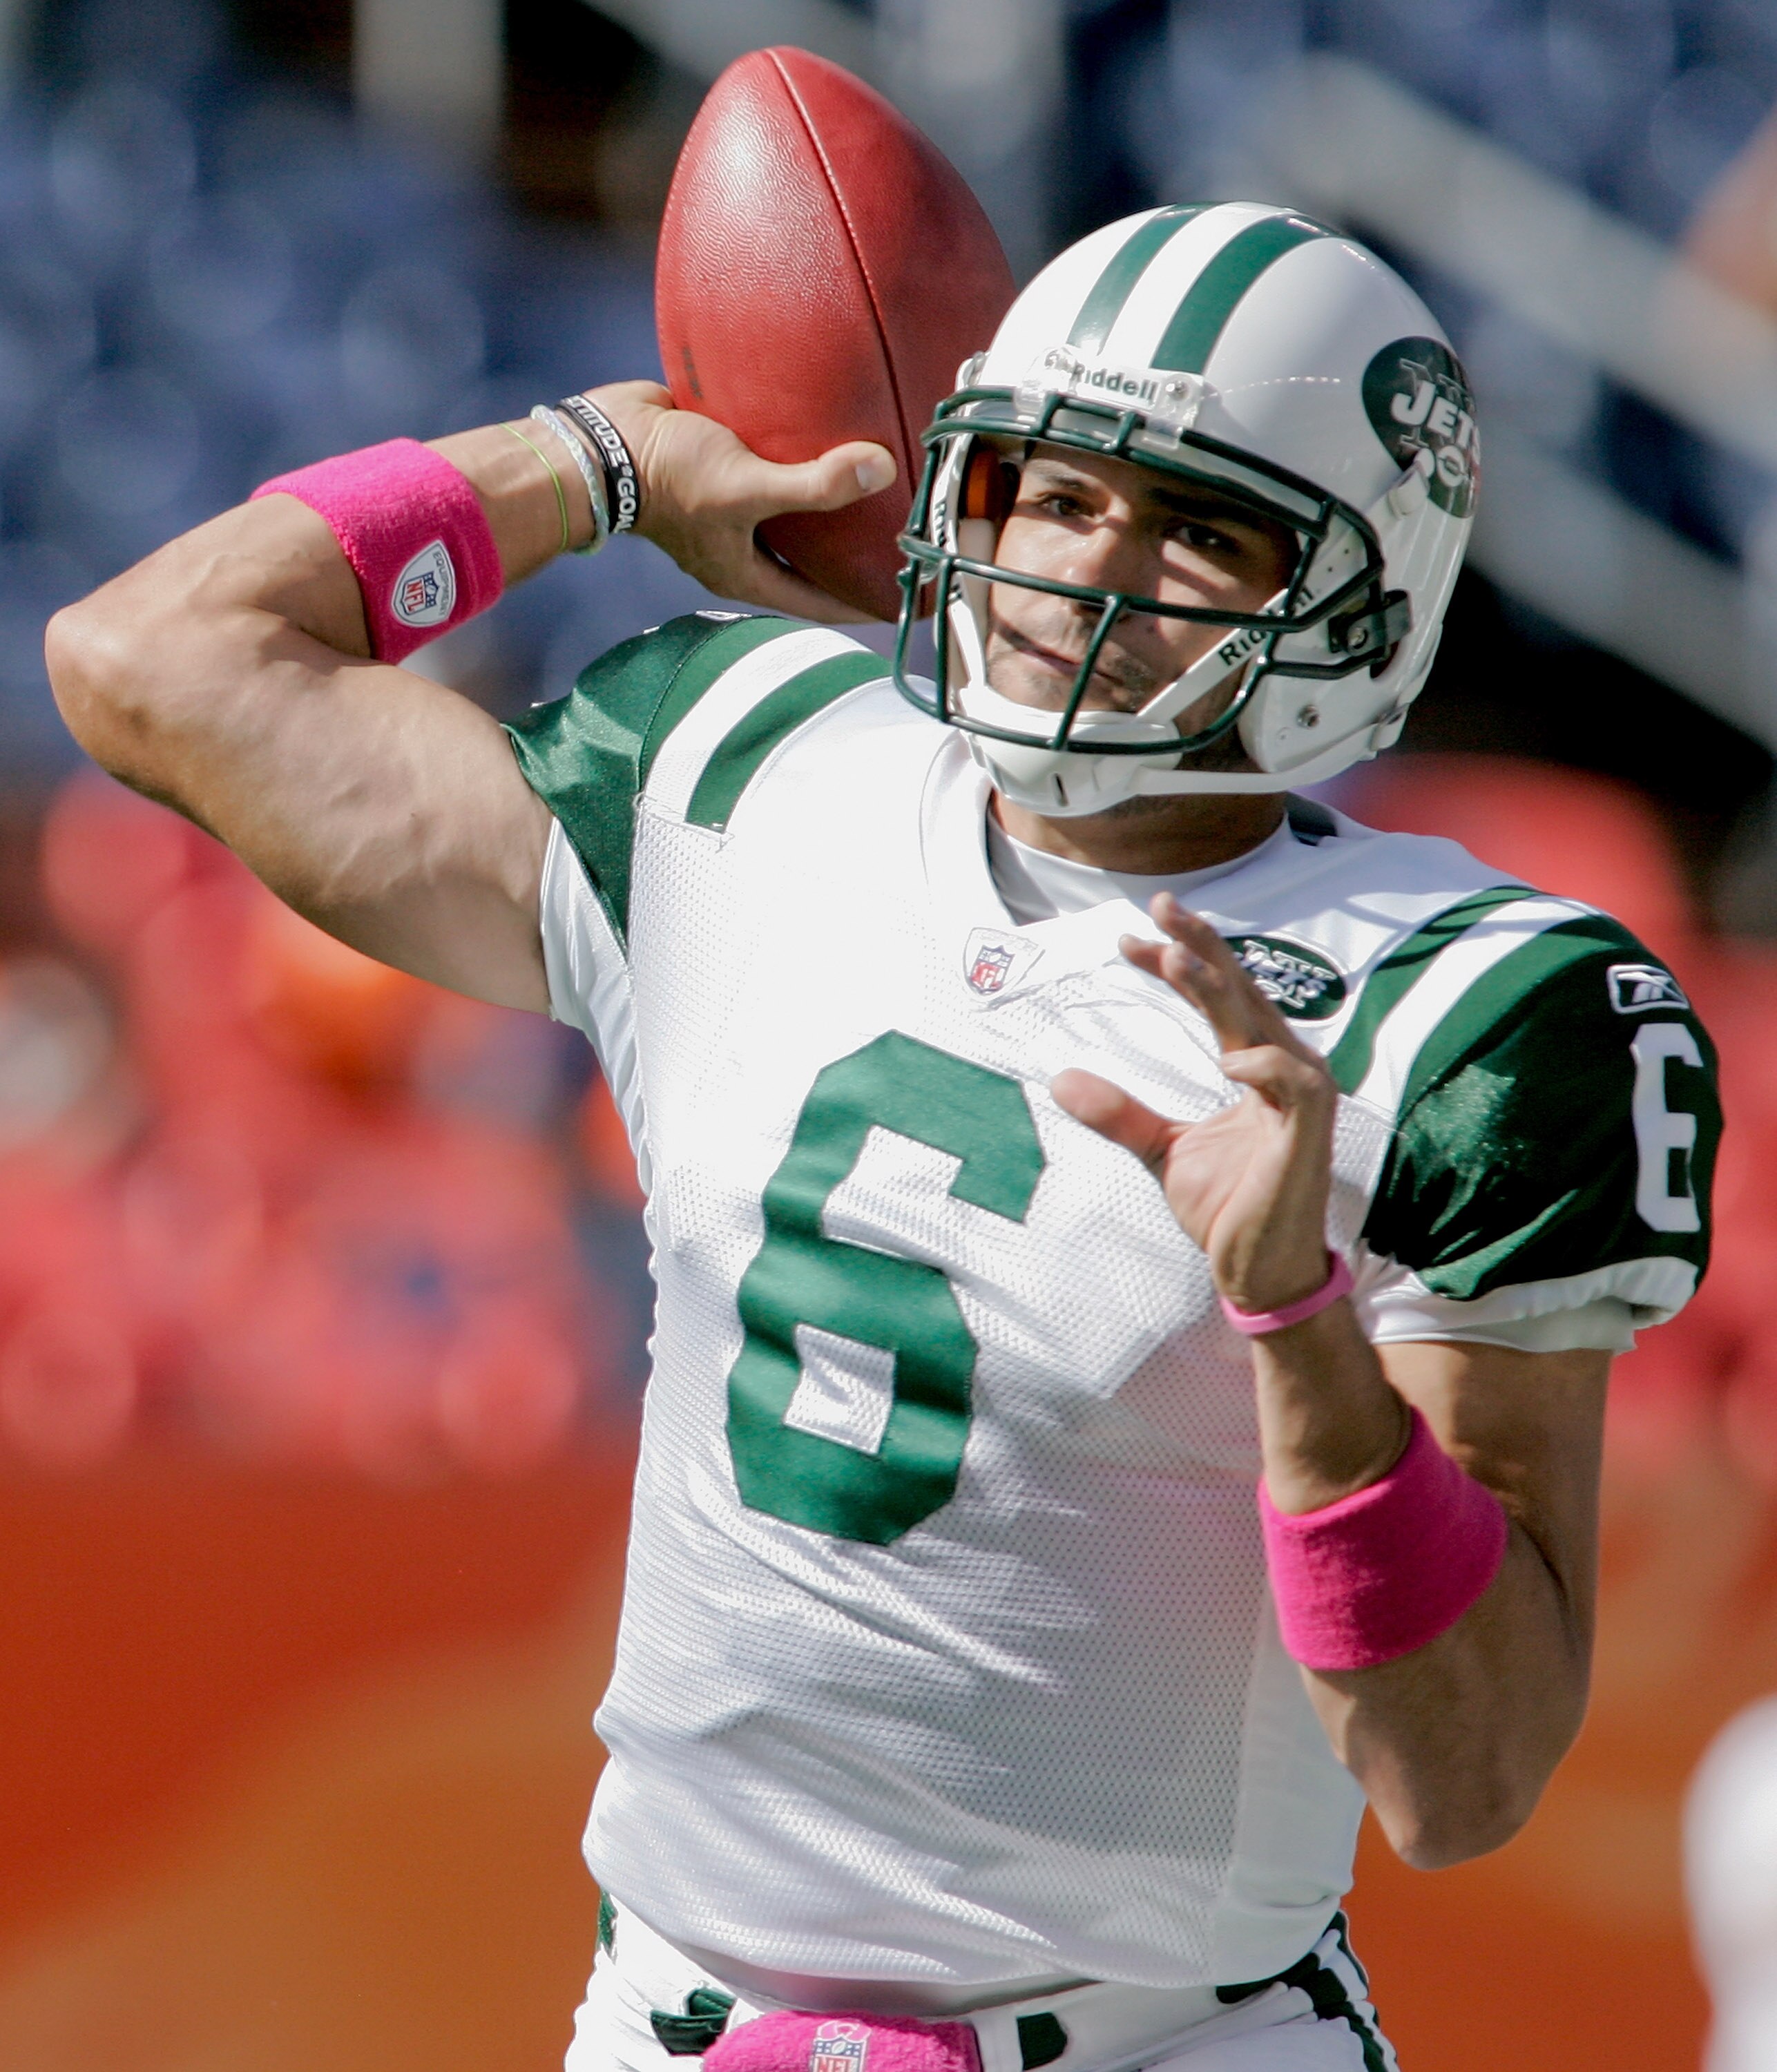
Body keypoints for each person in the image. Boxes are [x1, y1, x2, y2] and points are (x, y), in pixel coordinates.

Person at [48, 202, 1719, 2071]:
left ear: (1356, 602)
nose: (1098, 565)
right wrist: (584, 463)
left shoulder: (1472, 1008)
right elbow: (153, 656)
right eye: (1057, 489)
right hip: (676, 2022)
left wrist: (1300, 1327)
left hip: (1172, 2041)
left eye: (1204, 527)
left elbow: (1464, 1774)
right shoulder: (744, 761)